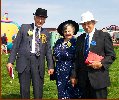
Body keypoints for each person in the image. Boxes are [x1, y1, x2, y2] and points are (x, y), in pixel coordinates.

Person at [7, 8, 54, 99]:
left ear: (45, 20)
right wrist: (10, 61)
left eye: (43, 19)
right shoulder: (24, 28)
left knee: (38, 90)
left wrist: (50, 66)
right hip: (24, 62)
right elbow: (16, 45)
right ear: (34, 17)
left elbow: (48, 51)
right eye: (38, 18)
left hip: (38, 63)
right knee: (24, 90)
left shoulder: (46, 33)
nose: (40, 21)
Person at [71, 11, 116, 99]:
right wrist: (74, 75)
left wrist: (101, 64)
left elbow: (111, 55)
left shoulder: (104, 36)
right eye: (84, 24)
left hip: (99, 79)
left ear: (94, 23)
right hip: (83, 80)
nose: (86, 26)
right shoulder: (80, 38)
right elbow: (77, 59)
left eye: (88, 23)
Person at [53, 20, 82, 99]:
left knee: (72, 93)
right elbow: (54, 54)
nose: (67, 33)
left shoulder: (76, 42)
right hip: (60, 72)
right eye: (65, 31)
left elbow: (77, 59)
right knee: (61, 93)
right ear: (62, 32)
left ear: (73, 31)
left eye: (69, 31)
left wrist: (74, 75)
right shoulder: (59, 41)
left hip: (71, 72)